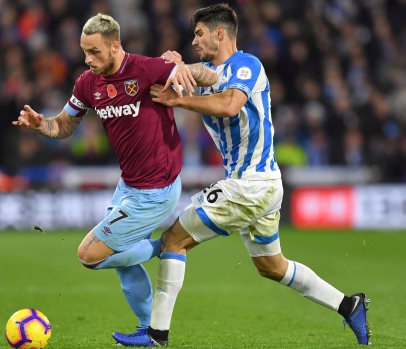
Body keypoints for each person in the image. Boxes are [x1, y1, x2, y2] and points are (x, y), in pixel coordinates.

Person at [114, 4, 371, 347]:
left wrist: (179, 100)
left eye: (200, 34)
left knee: (174, 240)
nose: (194, 40)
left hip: (252, 184)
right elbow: (203, 76)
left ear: (220, 33)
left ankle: (155, 334)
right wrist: (175, 67)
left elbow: (230, 104)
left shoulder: (247, 65)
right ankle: (349, 305)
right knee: (272, 267)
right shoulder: (210, 70)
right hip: (259, 187)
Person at [12, 13, 217, 339]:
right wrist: (40, 125)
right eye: (84, 51)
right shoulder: (88, 83)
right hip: (129, 185)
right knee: (121, 261)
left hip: (157, 189)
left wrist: (186, 70)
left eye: (94, 52)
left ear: (115, 45)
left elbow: (207, 74)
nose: (87, 59)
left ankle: (162, 246)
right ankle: (148, 331)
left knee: (89, 255)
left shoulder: (147, 69)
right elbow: (65, 125)